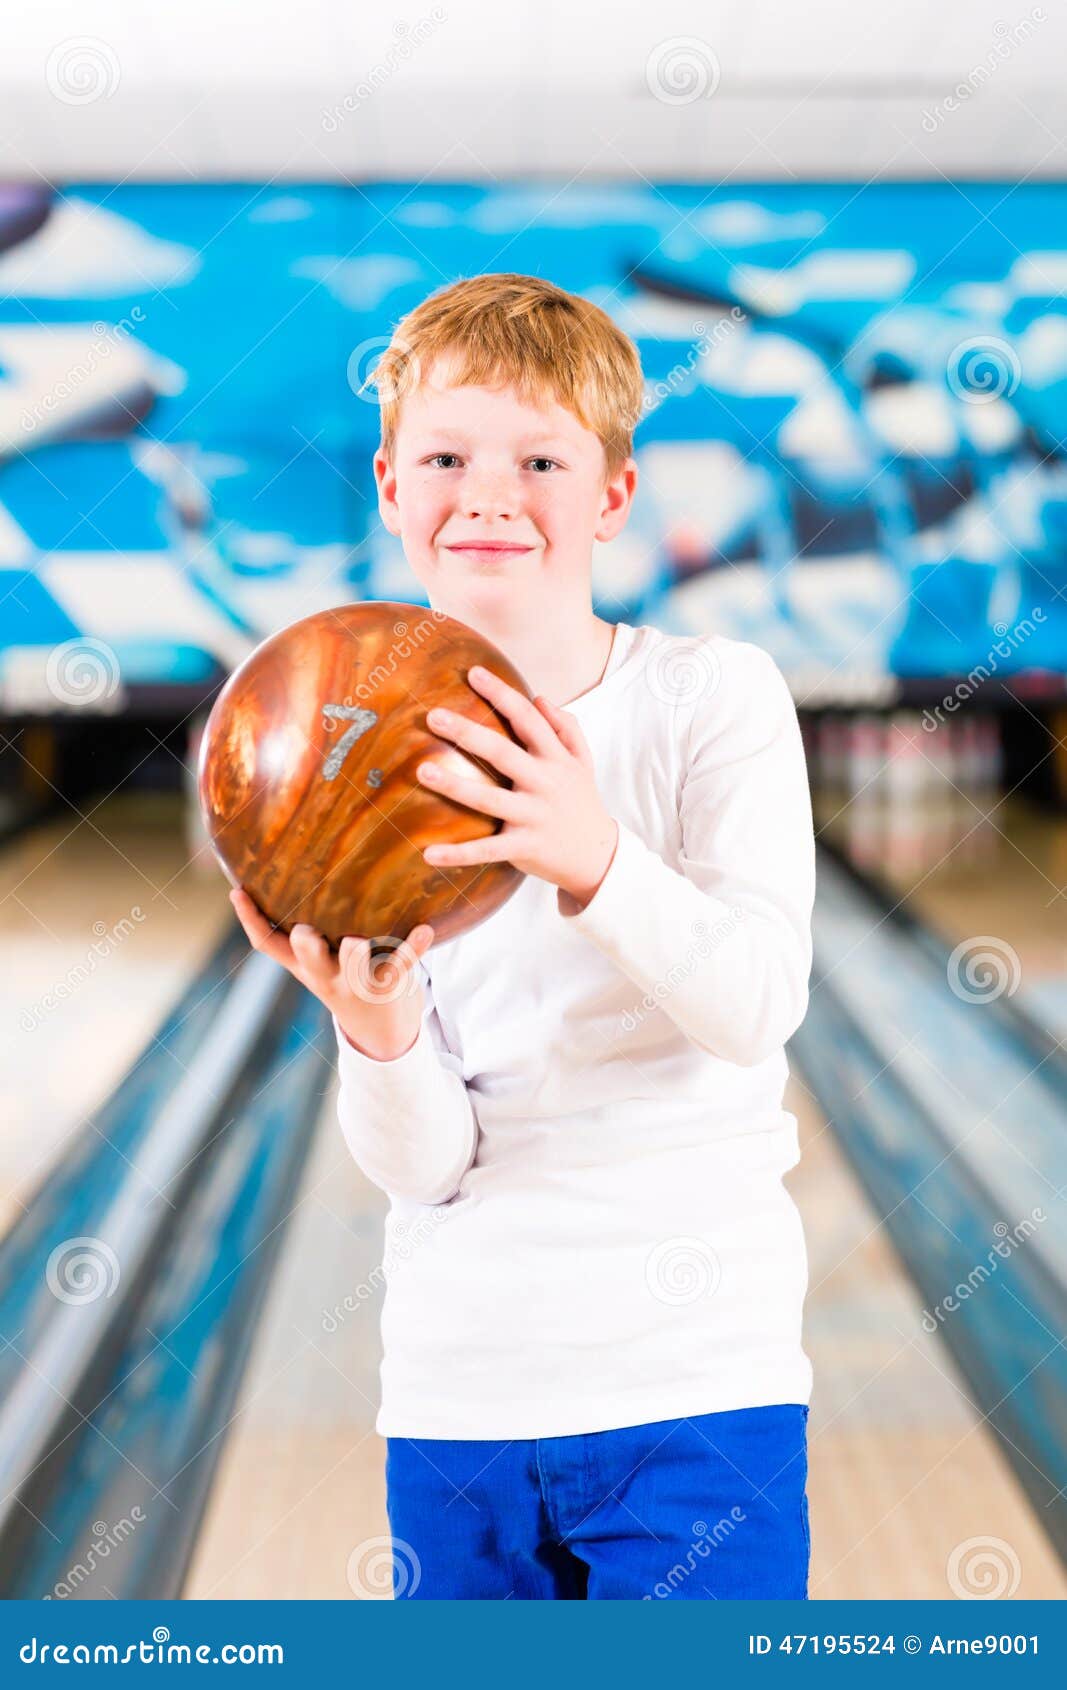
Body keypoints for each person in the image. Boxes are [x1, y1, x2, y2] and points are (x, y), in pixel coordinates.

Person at [230, 272, 816, 1600]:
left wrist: (593, 855)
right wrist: (375, 1030)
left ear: (611, 493)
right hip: (458, 1404)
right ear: (390, 482)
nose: (488, 493)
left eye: (540, 458)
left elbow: (754, 1003)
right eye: (446, 456)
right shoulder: (351, 765)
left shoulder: (707, 698)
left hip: (700, 1391)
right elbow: (425, 1166)